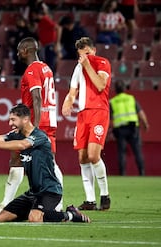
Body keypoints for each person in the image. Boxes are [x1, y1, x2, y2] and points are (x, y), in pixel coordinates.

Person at [0, 104, 90, 223]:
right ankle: (35, 212)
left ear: (25, 119)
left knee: (35, 218)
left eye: (13, 120)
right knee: (3, 217)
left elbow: (23, 145)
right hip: (33, 192)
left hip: (50, 191)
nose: (10, 123)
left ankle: (71, 214)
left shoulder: (39, 136)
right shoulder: (16, 134)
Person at [0, 37, 64, 215]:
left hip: (36, 123)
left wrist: (33, 128)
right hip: (49, 120)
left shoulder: (31, 71)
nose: (18, 53)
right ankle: (9, 203)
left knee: (26, 161)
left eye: (20, 50)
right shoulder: (46, 68)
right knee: (35, 161)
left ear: (27, 50)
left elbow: (36, 97)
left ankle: (8, 203)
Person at [62, 37, 111, 211]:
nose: (85, 57)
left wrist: (87, 64)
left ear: (94, 51)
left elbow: (100, 85)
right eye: (82, 55)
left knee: (93, 155)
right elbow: (72, 91)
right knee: (82, 157)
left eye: (88, 53)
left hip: (99, 112)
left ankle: (104, 195)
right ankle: (90, 200)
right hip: (83, 115)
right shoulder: (78, 67)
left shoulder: (102, 62)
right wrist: (68, 101)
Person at [109, 80, 149, 176]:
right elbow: (141, 113)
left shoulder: (112, 101)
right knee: (137, 151)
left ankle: (122, 173)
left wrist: (109, 131)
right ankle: (142, 172)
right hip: (133, 128)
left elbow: (109, 119)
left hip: (120, 129)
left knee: (121, 152)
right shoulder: (131, 99)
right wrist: (145, 124)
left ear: (115, 90)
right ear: (125, 88)